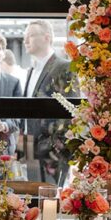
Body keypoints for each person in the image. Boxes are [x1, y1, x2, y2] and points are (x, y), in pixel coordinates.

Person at [22, 20, 71, 186]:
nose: (25, 41)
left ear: (46, 38)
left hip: (52, 155)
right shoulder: (31, 71)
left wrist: (55, 149)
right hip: (29, 150)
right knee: (32, 201)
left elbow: (69, 112)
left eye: (30, 36)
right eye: (24, 37)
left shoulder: (64, 67)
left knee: (51, 203)